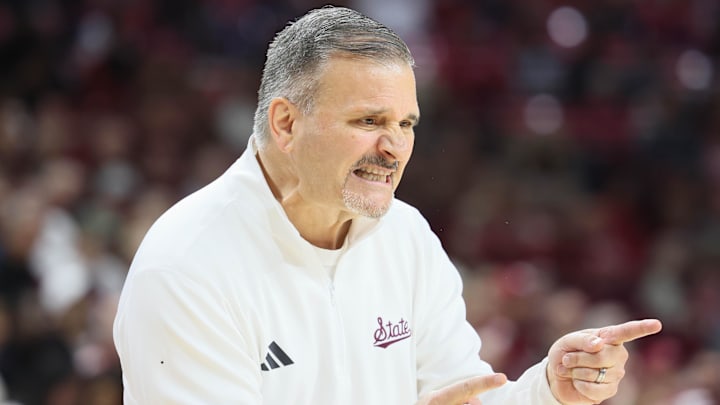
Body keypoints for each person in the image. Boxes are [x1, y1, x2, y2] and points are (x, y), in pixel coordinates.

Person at [113, 6, 662, 404]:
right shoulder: (186, 266)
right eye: (369, 121)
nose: (395, 146)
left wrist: (549, 389)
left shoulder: (406, 237)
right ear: (285, 123)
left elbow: (461, 397)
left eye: (406, 124)